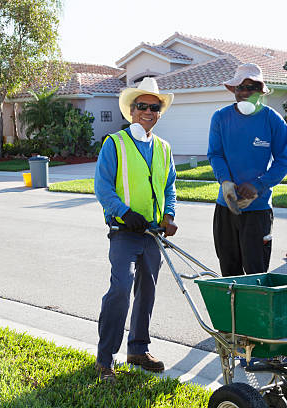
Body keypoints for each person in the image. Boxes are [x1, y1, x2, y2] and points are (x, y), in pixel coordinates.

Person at [93, 77, 178, 381]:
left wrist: (168, 215)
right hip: (124, 232)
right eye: (142, 106)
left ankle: (138, 350)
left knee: (147, 291)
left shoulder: (164, 148)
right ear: (131, 111)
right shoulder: (114, 144)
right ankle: (105, 360)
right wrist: (124, 213)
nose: (148, 111)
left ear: (159, 113)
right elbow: (102, 188)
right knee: (120, 289)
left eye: (154, 107)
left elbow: (170, 187)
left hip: (152, 234)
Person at [208, 63, 287, 277]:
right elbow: (215, 154)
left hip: (258, 210)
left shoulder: (273, 120)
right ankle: (233, 311)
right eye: (240, 88)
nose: (245, 92)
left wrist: (257, 186)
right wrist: (225, 182)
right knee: (229, 272)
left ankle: (256, 311)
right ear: (234, 91)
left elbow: (283, 162)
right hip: (226, 207)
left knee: (256, 273)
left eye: (251, 87)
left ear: (261, 91)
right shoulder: (220, 117)